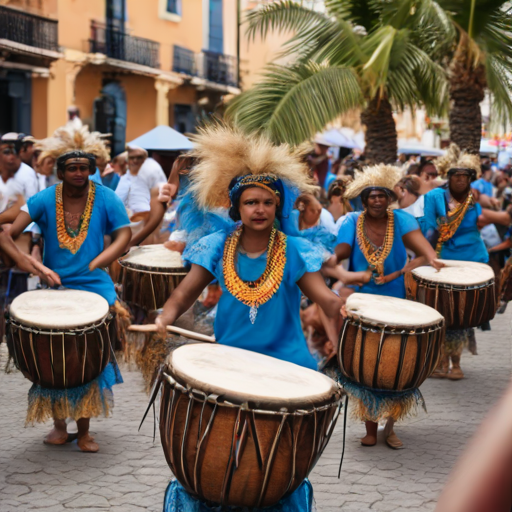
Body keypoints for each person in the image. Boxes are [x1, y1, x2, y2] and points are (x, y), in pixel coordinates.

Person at [155, 125, 341, 511]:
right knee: (222, 454)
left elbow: (325, 298)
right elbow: (185, 292)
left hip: (287, 366)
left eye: (267, 203)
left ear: (278, 207)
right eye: (251, 202)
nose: (259, 209)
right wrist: (164, 317)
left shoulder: (293, 251)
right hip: (229, 364)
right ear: (236, 208)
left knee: (274, 462)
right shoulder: (216, 247)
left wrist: (344, 312)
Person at [10, 150, 131, 453]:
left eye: (84, 168)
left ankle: (86, 431)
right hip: (56, 287)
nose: (79, 173)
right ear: (60, 172)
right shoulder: (44, 199)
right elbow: (8, 233)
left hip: (96, 288)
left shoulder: (106, 197)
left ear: (91, 170)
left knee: (87, 357)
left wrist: (100, 260)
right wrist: (35, 266)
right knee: (55, 358)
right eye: (72, 168)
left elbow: (124, 235)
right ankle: (59, 426)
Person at [326, 163, 444, 449]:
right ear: (363, 200)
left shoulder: (401, 220)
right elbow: (342, 250)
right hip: (363, 303)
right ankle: (369, 427)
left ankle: (389, 427)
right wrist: (330, 257)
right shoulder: (352, 221)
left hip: (395, 299)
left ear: (389, 198)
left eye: (382, 195)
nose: (377, 200)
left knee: (396, 363)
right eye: (371, 196)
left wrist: (431, 257)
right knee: (367, 364)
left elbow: (419, 246)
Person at [422, 144, 512, 380]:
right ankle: (441, 363)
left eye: (465, 176)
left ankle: (456, 364)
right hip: (441, 262)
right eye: (456, 176)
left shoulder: (474, 200)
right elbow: (428, 229)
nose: (461, 180)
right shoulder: (433, 198)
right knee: (440, 312)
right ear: (448, 177)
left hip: (473, 262)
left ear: (471, 178)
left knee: (461, 314)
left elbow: (479, 222)